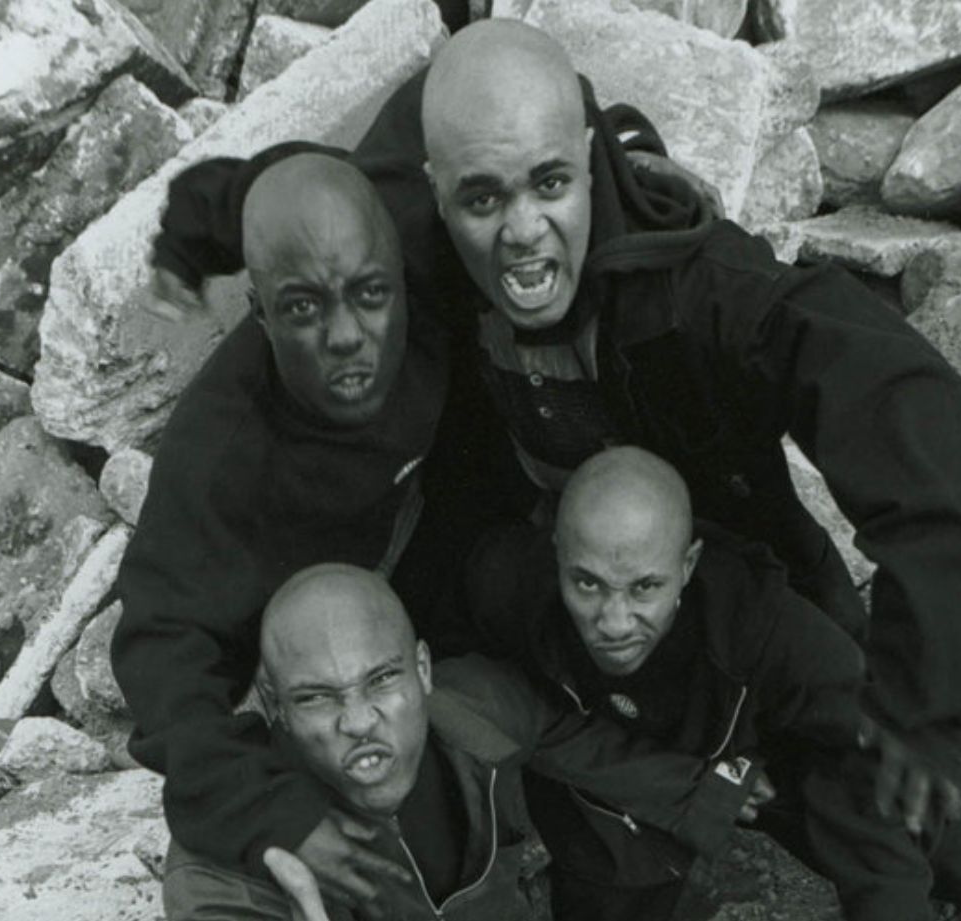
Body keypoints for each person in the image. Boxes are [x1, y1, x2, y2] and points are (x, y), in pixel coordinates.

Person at [116, 149, 745, 918]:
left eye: (370, 295)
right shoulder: (214, 461)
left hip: (450, 541)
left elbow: (514, 127)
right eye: (304, 308)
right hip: (320, 600)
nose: (347, 337)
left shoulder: (467, 708)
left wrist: (621, 183)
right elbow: (162, 656)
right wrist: (261, 810)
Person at [467, 446, 961, 921]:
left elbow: (874, 739)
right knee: (605, 867)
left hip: (769, 747)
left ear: (687, 566)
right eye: (587, 584)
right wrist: (692, 788)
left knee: (894, 804)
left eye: (645, 588)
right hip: (634, 754)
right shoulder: (504, 589)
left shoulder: (766, 627)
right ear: (556, 554)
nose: (614, 622)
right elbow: (494, 711)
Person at [163, 563, 763, 920]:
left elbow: (572, 736)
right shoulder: (228, 854)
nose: (359, 720)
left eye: (382, 679)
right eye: (317, 697)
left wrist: (707, 792)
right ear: (277, 709)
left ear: (423, 670)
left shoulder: (476, 707)